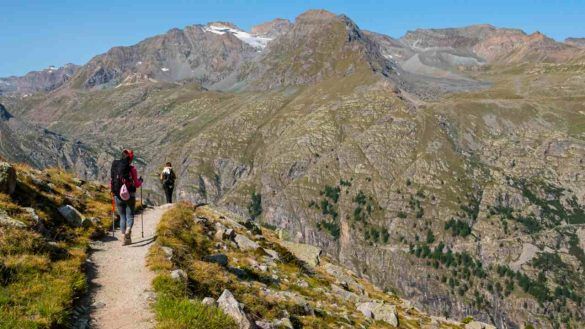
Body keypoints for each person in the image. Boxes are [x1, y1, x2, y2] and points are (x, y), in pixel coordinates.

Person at [110, 149, 142, 245]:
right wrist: (141, 181)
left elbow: (112, 180)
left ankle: (124, 237)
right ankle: (128, 230)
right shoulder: (132, 169)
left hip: (117, 194)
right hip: (130, 194)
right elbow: (136, 184)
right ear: (130, 158)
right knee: (130, 215)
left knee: (122, 216)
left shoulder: (115, 167)